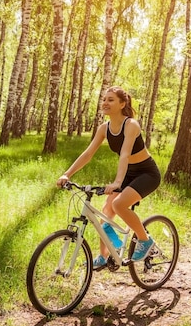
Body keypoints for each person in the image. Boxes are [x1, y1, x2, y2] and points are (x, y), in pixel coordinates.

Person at [56, 86, 161, 268]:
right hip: (129, 172)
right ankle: (104, 257)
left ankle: (145, 240)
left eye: (111, 99)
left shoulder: (131, 125)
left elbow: (125, 155)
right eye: (104, 99)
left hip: (147, 173)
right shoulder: (104, 128)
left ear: (122, 104)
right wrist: (67, 173)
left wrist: (118, 182)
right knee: (107, 212)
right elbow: (88, 154)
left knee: (118, 204)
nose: (105, 103)